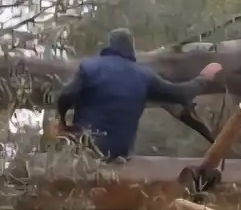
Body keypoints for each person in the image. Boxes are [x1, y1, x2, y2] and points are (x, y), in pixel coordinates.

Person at [54, 28, 222, 160]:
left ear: (110, 45)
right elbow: (181, 94)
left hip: (85, 151)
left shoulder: (89, 67)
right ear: (131, 49)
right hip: (118, 155)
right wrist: (204, 77)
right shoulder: (144, 76)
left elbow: (65, 96)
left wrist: (62, 121)